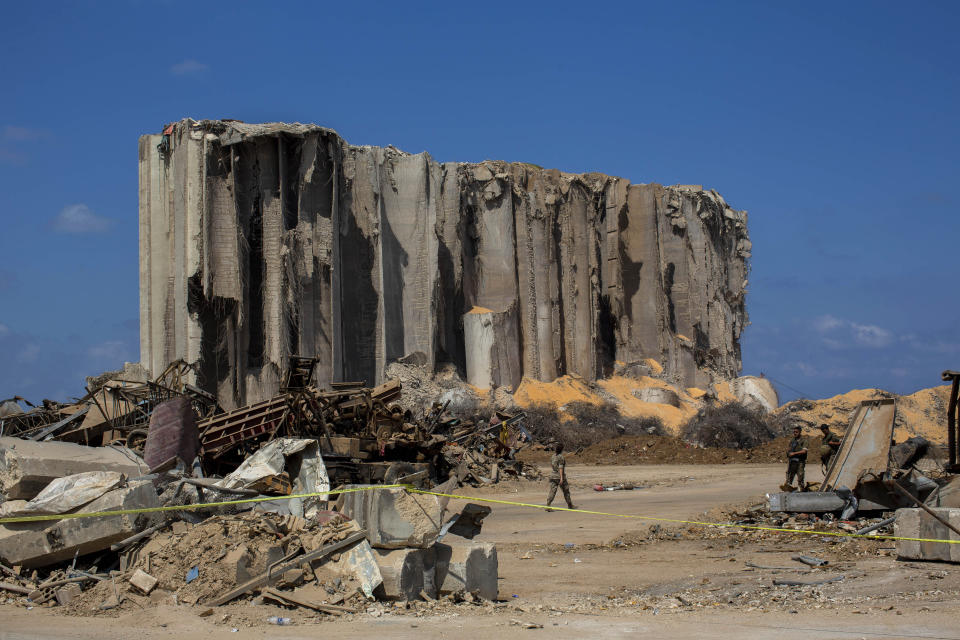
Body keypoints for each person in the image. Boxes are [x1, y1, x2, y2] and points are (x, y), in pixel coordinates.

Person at [546, 442, 576, 511]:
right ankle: (570, 505)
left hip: (553, 475)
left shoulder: (553, 456)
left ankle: (548, 505)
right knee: (566, 491)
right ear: (562, 449)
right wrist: (561, 478)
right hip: (559, 476)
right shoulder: (561, 457)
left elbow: (552, 465)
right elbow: (560, 468)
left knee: (552, 491)